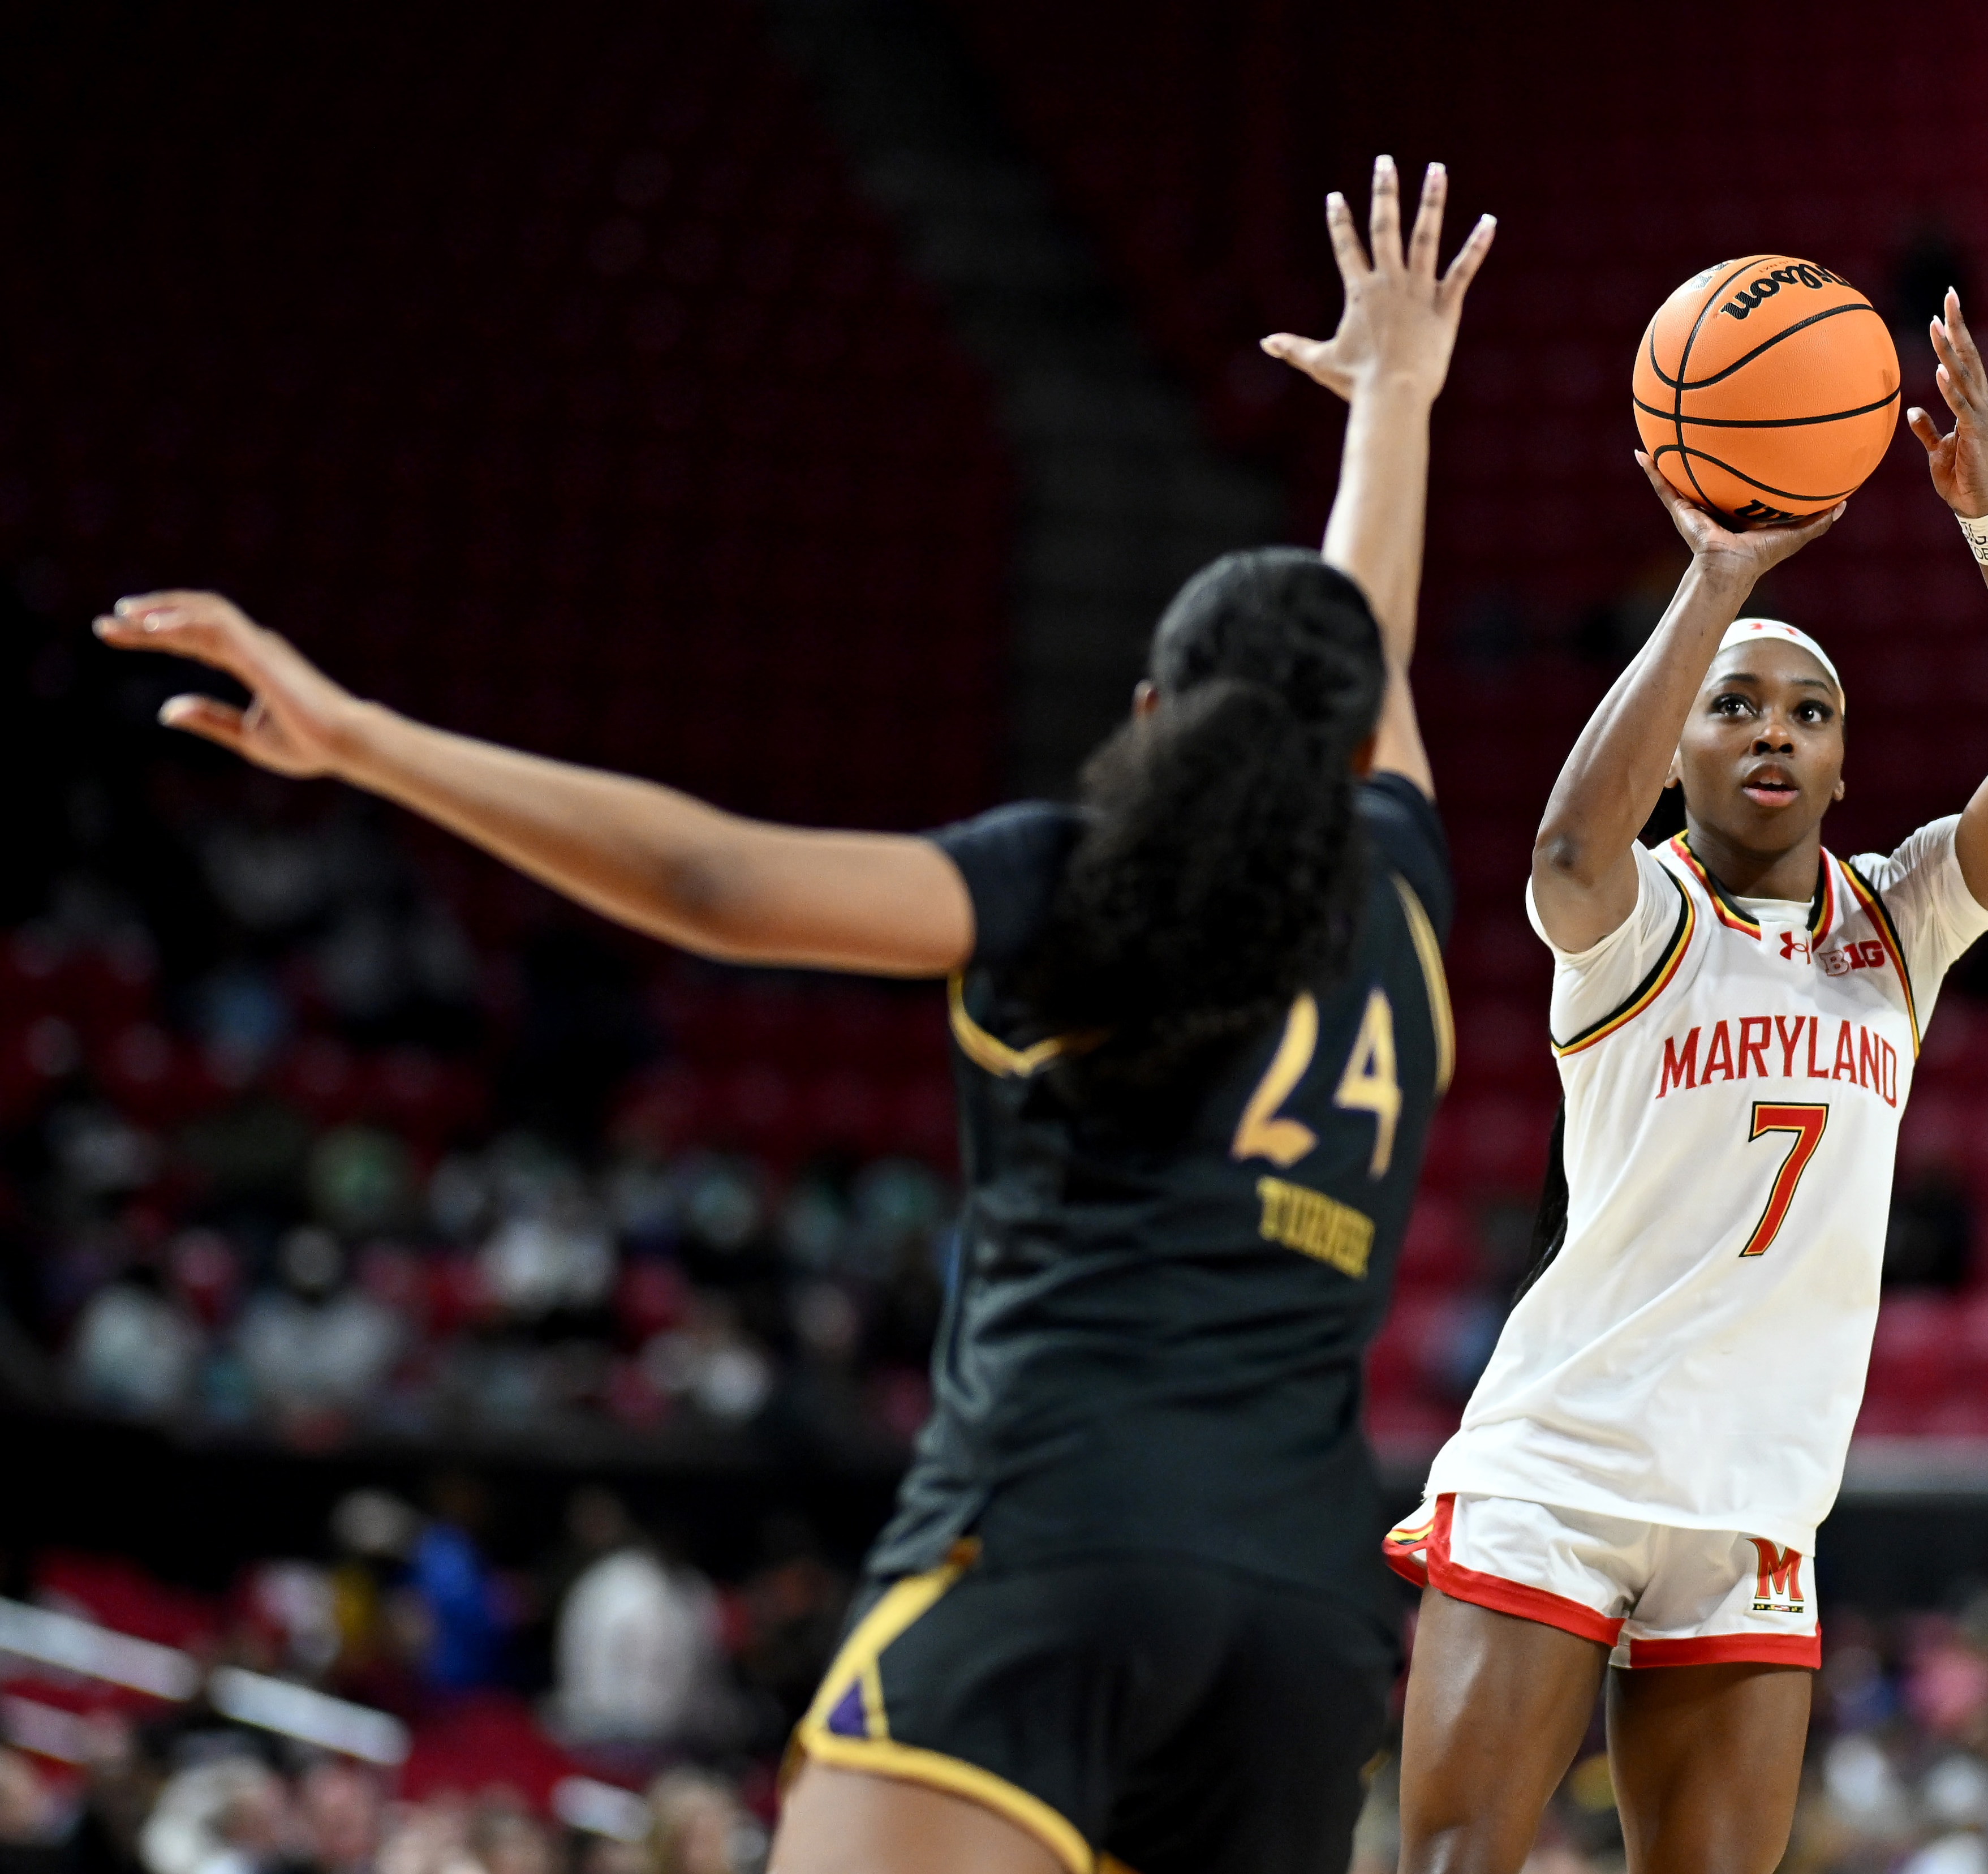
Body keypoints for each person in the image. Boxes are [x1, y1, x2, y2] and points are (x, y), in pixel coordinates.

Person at [97, 156, 1492, 1874]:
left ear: (1148, 711)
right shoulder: (1405, 895)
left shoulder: (1067, 884)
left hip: (1062, 1536)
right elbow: (1362, 651)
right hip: (1303, 1618)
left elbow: (717, 885)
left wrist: (365, 736)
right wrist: (1399, 406)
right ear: (1362, 739)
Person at [1385, 290, 1988, 1874]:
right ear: (1686, 753)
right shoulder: (1638, 916)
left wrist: (1987, 519)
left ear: (1849, 767)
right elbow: (1570, 845)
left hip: (1756, 1503)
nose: (1773, 731)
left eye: (1810, 712)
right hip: (1564, 1468)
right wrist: (1717, 583)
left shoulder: (1899, 917)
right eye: (1736, 706)